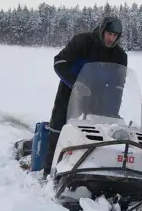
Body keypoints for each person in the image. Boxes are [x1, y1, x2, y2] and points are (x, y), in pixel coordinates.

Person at [44, 16, 127, 177]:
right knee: (58, 130)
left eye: (115, 36)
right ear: (102, 31)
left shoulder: (119, 55)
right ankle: (49, 173)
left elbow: (118, 87)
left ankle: (95, 172)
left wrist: (112, 113)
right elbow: (59, 62)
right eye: (109, 34)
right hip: (71, 91)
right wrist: (75, 84)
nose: (111, 39)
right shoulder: (82, 41)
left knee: (100, 134)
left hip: (98, 97)